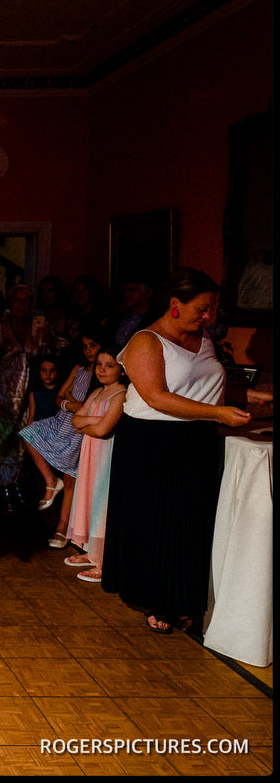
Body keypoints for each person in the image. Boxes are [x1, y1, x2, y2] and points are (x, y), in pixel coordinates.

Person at [101, 269, 253, 634]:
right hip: (152, 443)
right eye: (202, 309)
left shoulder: (202, 338)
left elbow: (210, 387)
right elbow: (156, 397)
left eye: (212, 308)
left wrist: (259, 399)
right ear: (174, 305)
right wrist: (217, 414)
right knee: (159, 524)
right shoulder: (145, 341)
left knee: (191, 523)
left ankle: (186, 598)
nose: (209, 317)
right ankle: (157, 598)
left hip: (196, 441)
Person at [18, 326, 103, 549]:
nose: (89, 351)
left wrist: (74, 403)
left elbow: (94, 405)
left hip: (80, 428)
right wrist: (72, 403)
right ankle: (49, 481)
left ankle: (63, 527)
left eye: (93, 345)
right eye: (85, 346)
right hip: (62, 421)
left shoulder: (103, 371)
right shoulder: (80, 367)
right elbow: (59, 397)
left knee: (71, 477)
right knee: (29, 433)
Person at [64, 345, 129, 584]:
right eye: (99, 365)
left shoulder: (120, 394)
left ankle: (103, 559)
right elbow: (74, 419)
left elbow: (103, 430)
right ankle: (91, 550)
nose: (102, 370)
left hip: (105, 454)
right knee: (89, 496)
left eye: (109, 365)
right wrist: (93, 420)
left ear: (121, 370)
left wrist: (87, 423)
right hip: (90, 452)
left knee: (102, 500)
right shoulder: (97, 392)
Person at [0, 283, 42, 511]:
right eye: (17, 300)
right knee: (2, 440)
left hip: (28, 391)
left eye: (26, 300)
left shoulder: (38, 325)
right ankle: (3, 488)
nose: (21, 304)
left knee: (22, 439)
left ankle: (16, 484)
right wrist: (4, 350)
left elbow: (45, 355)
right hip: (2, 391)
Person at [108, 276, 157, 349]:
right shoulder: (116, 318)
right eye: (125, 290)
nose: (126, 294)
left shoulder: (155, 319)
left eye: (132, 290)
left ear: (148, 293)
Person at [25, 356, 62, 425]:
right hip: (39, 429)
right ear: (39, 373)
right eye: (44, 370)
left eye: (51, 370)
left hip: (56, 428)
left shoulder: (61, 392)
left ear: (57, 372)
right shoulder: (34, 393)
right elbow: (31, 417)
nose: (48, 374)